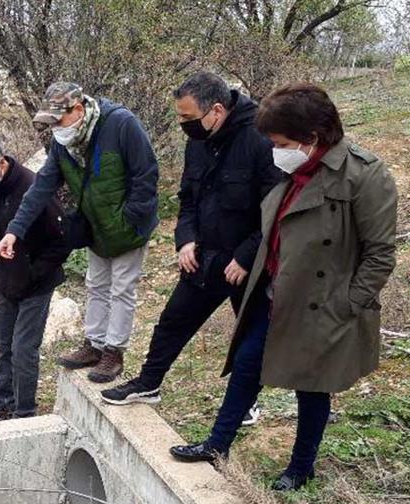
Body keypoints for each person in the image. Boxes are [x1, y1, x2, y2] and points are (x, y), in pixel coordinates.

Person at [169, 83, 398, 492]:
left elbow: (380, 254)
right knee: (246, 366)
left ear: (313, 138)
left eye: (282, 142)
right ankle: (217, 444)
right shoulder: (292, 170)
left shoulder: (365, 175)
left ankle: (300, 468)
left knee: (311, 386)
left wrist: (346, 305)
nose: (275, 150)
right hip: (275, 294)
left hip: (322, 303)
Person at [101, 72, 282, 426]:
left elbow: (276, 209)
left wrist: (247, 256)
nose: (183, 124)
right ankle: (149, 383)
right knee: (172, 321)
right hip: (205, 256)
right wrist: (185, 240)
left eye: (187, 117)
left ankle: (246, 402)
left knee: (248, 338)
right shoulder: (198, 142)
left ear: (216, 110)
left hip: (249, 262)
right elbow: (187, 199)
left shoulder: (261, 139)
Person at [0, 82, 159, 384]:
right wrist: (13, 232)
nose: (55, 128)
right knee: (95, 284)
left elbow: (146, 174)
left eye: (58, 120)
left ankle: (114, 352)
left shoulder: (122, 125)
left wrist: (131, 218)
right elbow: (41, 187)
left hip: (128, 228)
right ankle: (94, 345)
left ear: (79, 109)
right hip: (96, 227)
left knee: (122, 288)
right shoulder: (64, 143)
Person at [0, 139, 68, 420]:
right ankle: (2, 405)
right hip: (5, 284)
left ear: (1, 164)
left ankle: (24, 411)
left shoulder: (34, 188)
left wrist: (34, 272)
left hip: (37, 283)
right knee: (5, 347)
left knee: (24, 349)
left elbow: (62, 241)